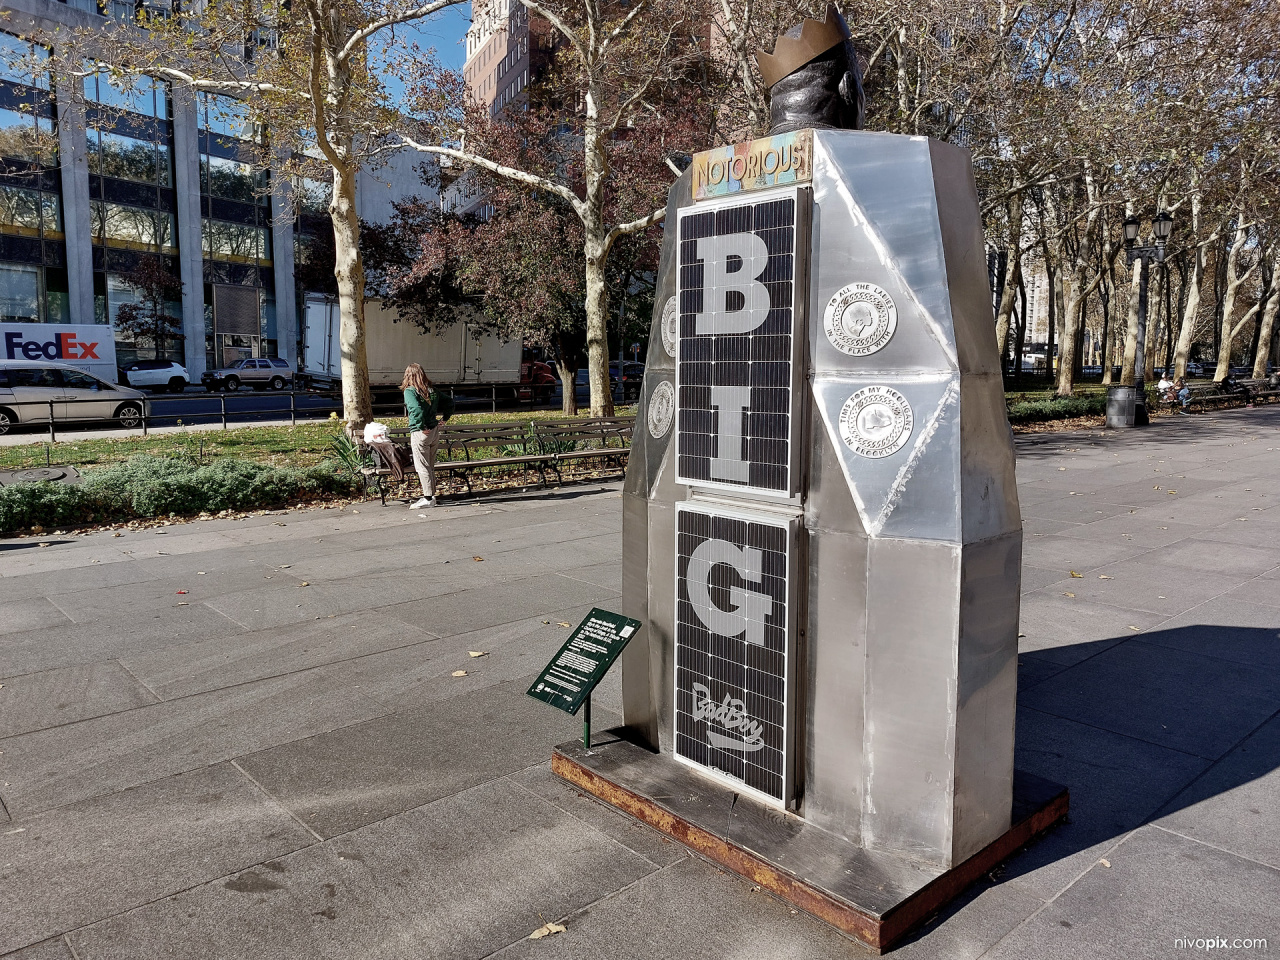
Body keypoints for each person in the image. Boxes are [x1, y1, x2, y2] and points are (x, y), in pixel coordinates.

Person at [402, 363, 442, 509]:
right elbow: (449, 402)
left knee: (422, 466)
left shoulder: (410, 391)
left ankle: (427, 498)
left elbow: (416, 409)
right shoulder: (432, 390)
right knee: (430, 465)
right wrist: (444, 418)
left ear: (408, 375)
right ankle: (432, 495)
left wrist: (420, 426)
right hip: (434, 431)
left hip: (421, 433)